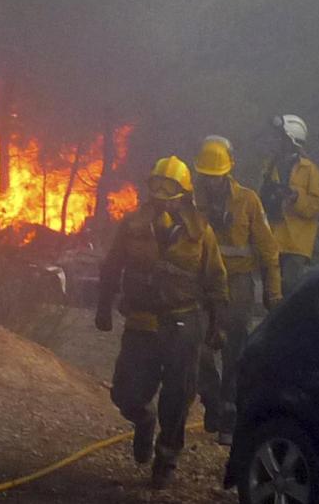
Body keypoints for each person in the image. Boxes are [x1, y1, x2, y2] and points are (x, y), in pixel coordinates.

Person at [96, 155, 228, 489]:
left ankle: (166, 459)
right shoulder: (132, 225)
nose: (161, 192)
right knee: (125, 391)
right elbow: (111, 267)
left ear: (184, 191)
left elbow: (215, 279)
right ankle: (142, 417)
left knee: (178, 395)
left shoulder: (201, 231)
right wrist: (103, 307)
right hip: (142, 321)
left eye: (169, 186)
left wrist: (217, 325)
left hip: (184, 323)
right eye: (156, 184)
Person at [192, 136, 280, 446]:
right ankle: (211, 401)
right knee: (198, 346)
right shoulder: (192, 203)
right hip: (203, 286)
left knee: (235, 353)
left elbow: (269, 252)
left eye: (218, 177)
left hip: (239, 285)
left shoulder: (248, 201)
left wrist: (273, 294)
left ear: (229, 172)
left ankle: (228, 417)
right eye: (207, 177)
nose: (213, 184)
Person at [260, 115, 319, 297]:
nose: (274, 141)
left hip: (296, 244)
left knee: (290, 291)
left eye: (279, 137)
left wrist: (296, 197)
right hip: (272, 241)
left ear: (291, 140)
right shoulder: (269, 167)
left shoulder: (309, 169)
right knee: (270, 294)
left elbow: (318, 205)